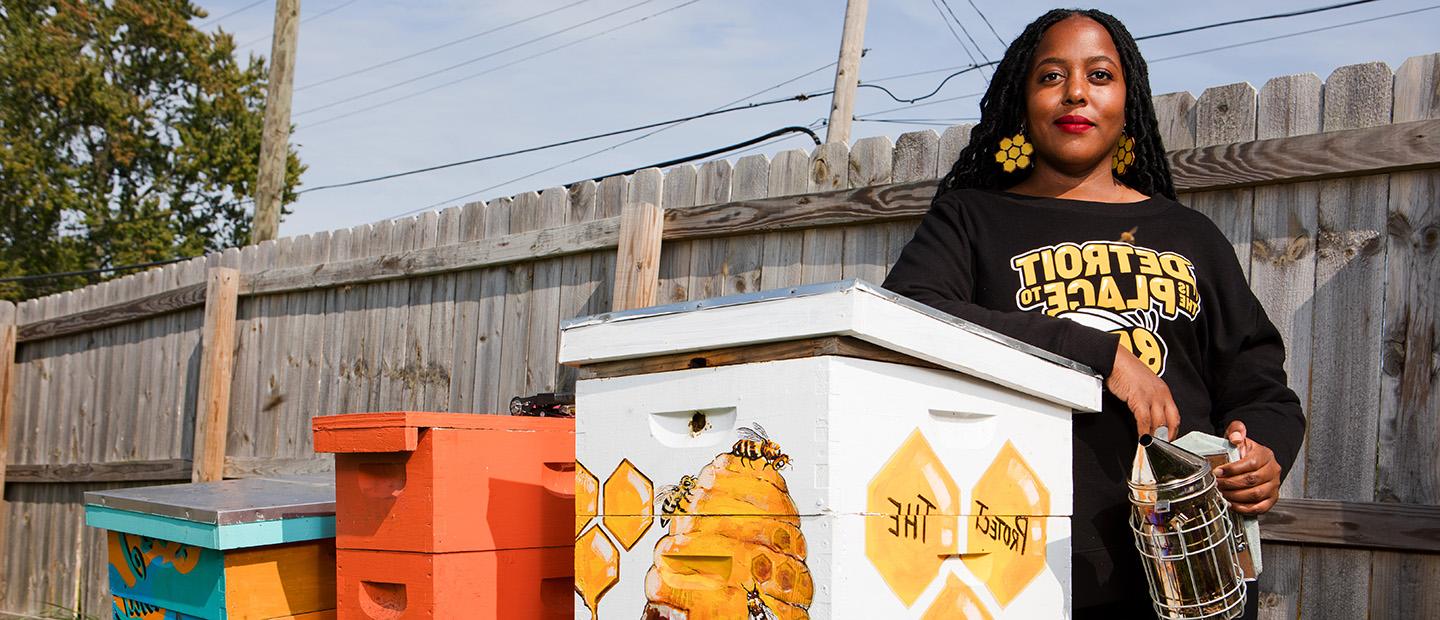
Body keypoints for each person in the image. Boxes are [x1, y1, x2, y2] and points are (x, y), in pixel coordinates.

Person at [880, 8, 1306, 619]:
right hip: (1013, 560)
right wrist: (1099, 354)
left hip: (1188, 570)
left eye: (1100, 75)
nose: (1076, 91)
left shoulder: (1190, 235)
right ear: (1021, 104)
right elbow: (912, 316)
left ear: (1128, 103)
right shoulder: (971, 220)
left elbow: (1261, 387)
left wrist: (1261, 454)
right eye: (1051, 76)